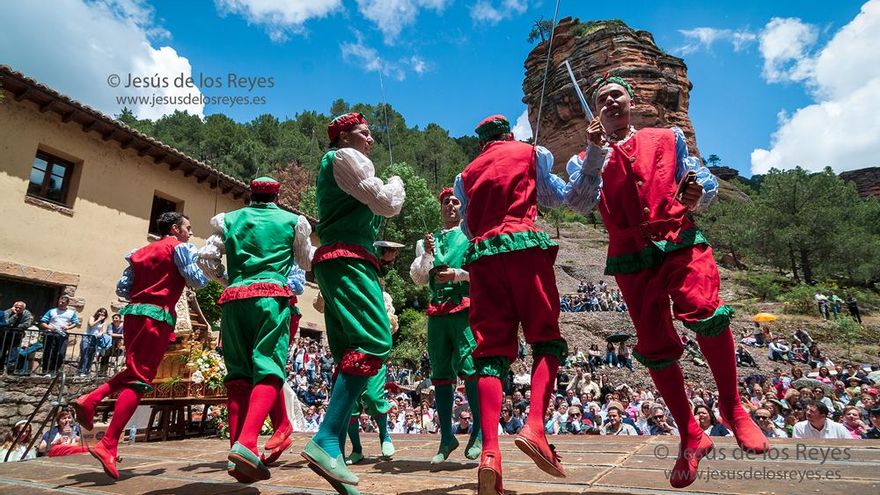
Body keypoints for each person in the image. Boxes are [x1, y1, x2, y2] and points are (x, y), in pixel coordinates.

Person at [564, 74, 767, 488]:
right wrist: (593, 154)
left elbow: (701, 179)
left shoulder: (667, 137)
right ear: (596, 110)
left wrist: (698, 194)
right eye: (602, 99)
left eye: (616, 95)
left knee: (706, 310)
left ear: (631, 99)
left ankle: (733, 407)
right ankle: (691, 434)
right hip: (629, 256)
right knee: (655, 346)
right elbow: (580, 203)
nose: (610, 103)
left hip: (678, 238)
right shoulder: (585, 157)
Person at [453, 114, 570, 494]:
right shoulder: (532, 152)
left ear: (482, 142)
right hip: (523, 247)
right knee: (546, 338)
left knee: (489, 354)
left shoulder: (465, 174)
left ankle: (490, 454)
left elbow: (468, 227)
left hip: (483, 257)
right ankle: (535, 424)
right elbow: (555, 197)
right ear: (509, 134)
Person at [299, 112, 404, 494]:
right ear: (344, 136)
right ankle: (327, 439)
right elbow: (387, 203)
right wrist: (396, 182)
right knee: (375, 339)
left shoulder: (342, 164)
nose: (370, 139)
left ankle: (336, 455)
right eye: (364, 132)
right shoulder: (344, 158)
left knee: (349, 352)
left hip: (339, 258)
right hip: (347, 257)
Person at [70, 211, 208, 479]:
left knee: (135, 371)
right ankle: (107, 439)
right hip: (156, 316)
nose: (190, 233)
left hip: (134, 312)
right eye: (188, 228)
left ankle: (92, 401)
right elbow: (198, 282)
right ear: (176, 229)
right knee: (140, 379)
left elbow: (124, 288)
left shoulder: (140, 251)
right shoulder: (180, 249)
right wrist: (204, 264)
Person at [197, 177, 313, 482]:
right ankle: (247, 443)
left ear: (252, 194)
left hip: (234, 299)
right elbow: (304, 260)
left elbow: (206, 259)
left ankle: (236, 457)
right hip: (271, 299)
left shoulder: (230, 219)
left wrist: (229, 281)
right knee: (269, 369)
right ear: (276, 195)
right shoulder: (292, 221)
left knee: (238, 375)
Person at [409, 186, 482, 463]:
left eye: (455, 202)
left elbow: (481, 273)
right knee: (439, 371)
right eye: (445, 203)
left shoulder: (471, 235)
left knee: (469, 366)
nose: (450, 206)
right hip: (436, 312)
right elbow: (417, 278)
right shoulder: (427, 240)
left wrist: (457, 275)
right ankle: (445, 438)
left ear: (462, 207)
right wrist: (427, 254)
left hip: (464, 309)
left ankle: (479, 431)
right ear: (440, 208)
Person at [39, 296, 80, 375]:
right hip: (51, 334)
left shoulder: (71, 312)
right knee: (48, 352)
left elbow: (76, 322)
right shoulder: (52, 311)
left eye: (63, 303)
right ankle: (46, 370)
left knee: (60, 353)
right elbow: (43, 321)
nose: (60, 304)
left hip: (62, 335)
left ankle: (54, 370)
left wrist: (68, 327)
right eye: (59, 302)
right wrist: (49, 327)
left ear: (67, 303)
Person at [2, 301, 33, 371]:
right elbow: (5, 323)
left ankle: (10, 369)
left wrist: (14, 327)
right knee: (1, 352)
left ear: (23, 309)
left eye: (20, 308)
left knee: (13, 353)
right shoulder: (7, 312)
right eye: (16, 307)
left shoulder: (27, 314)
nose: (18, 309)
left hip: (17, 336)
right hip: (4, 335)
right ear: (13, 307)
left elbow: (27, 324)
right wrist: (14, 316)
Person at [78, 308, 107, 376]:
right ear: (98, 312)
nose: (102, 314)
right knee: (85, 354)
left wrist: (101, 333)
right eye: (101, 312)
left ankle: (87, 371)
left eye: (104, 313)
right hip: (87, 337)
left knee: (91, 356)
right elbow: (91, 324)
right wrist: (98, 319)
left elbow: (104, 331)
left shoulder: (103, 322)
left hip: (95, 339)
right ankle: (81, 371)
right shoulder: (92, 318)